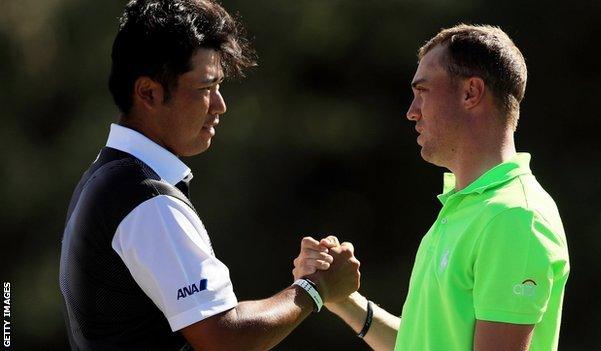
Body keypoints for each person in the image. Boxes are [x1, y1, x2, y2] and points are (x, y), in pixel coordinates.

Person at [58, 1, 360, 350]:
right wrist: (315, 288)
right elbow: (226, 339)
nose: (219, 105)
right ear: (148, 93)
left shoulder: (108, 178)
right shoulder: (145, 199)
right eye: (205, 88)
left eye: (219, 87)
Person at [293, 24, 570, 351]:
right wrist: (344, 301)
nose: (411, 112)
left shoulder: (514, 217)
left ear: (471, 92)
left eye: (422, 91)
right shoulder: (469, 208)